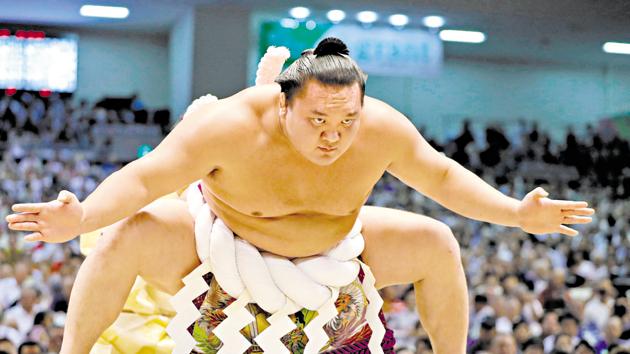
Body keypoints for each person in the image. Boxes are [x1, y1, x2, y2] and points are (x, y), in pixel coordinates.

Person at [5, 37, 594, 354]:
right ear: (283, 103)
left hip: (336, 256)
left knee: (436, 242)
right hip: (218, 252)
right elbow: (144, 178)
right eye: (317, 121)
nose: (333, 136)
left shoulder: (381, 127)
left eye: (347, 121)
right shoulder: (229, 127)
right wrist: (81, 213)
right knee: (129, 232)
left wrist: (516, 213)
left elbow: (441, 178)